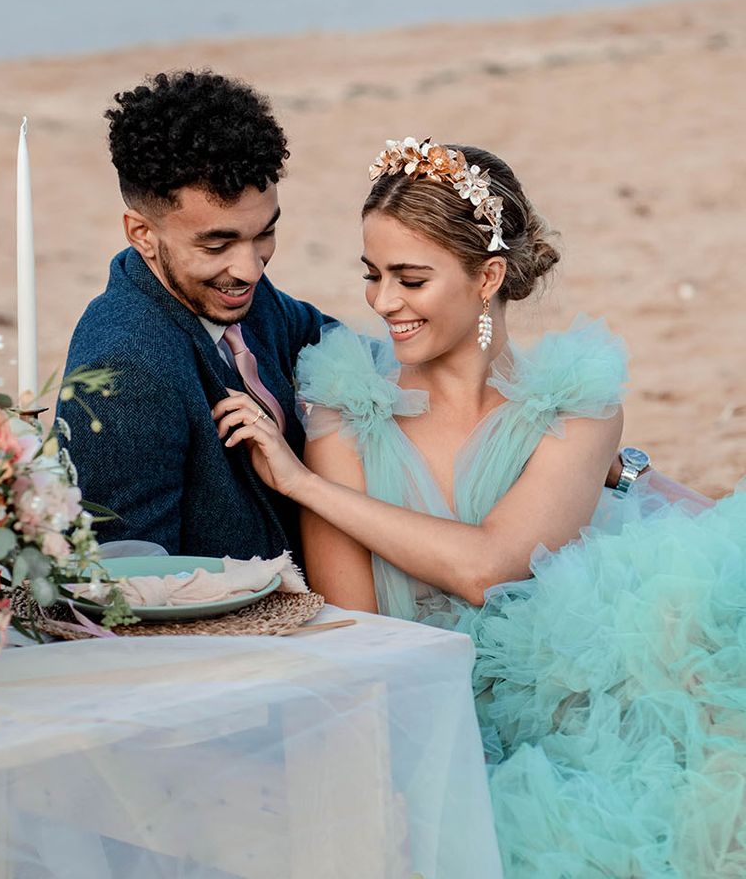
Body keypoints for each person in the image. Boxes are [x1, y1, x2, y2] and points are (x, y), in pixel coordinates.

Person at [213, 137, 744, 877]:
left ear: (488, 275)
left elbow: (491, 567)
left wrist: (302, 484)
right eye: (372, 276)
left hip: (584, 699)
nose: (382, 302)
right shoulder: (349, 405)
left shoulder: (576, 405)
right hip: (433, 720)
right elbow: (356, 633)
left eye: (411, 278)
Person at [57, 71, 327, 561]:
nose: (248, 269)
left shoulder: (239, 292)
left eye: (264, 233)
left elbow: (330, 342)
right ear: (141, 233)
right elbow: (132, 586)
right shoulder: (125, 372)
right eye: (217, 244)